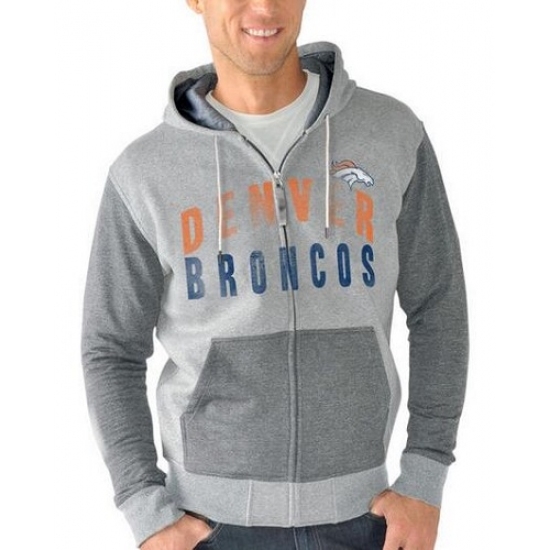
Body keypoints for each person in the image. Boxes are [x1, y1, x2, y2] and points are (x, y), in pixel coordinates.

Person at [81, 1, 469, 549]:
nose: (264, 6)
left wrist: (425, 478)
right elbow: (110, 348)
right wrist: (147, 511)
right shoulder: (144, 173)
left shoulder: (391, 134)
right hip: (208, 528)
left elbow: (439, 305)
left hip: (368, 520)